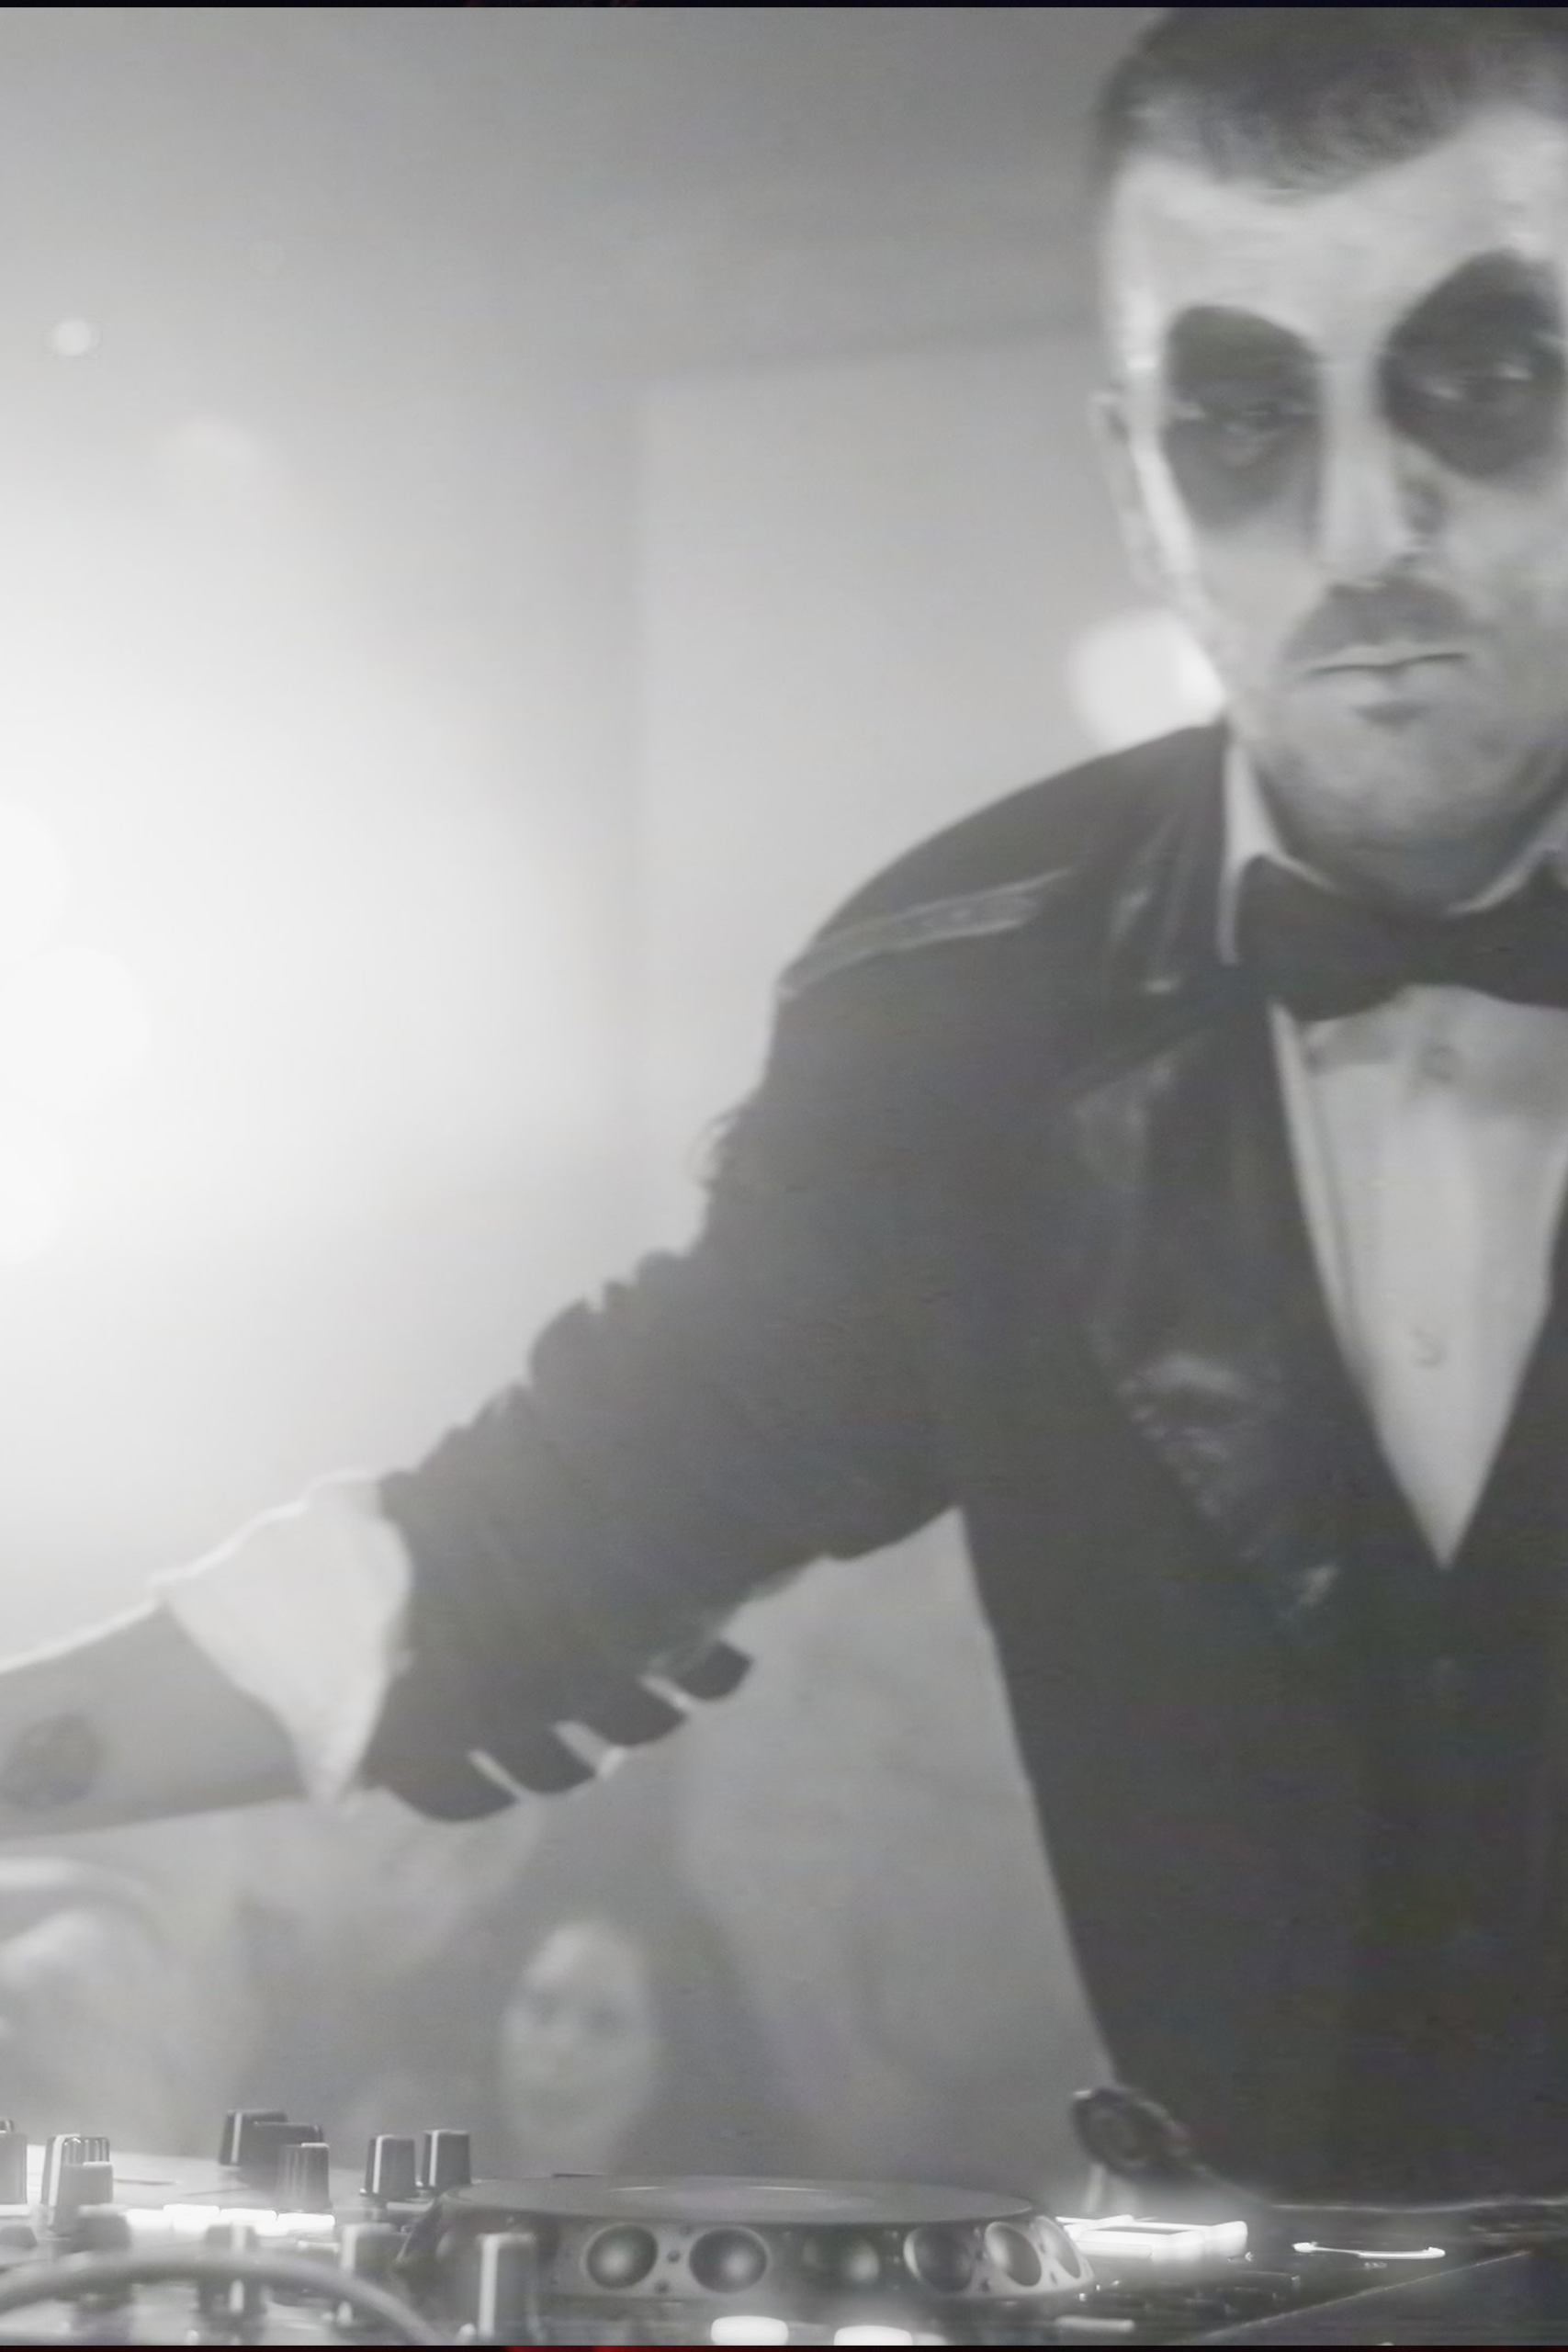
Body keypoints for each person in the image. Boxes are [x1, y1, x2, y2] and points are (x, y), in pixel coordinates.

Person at [6, 2, 1568, 2209]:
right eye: (1237, 418)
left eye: (1479, 379)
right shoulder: (960, 1014)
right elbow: (507, 1563)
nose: (1358, 521)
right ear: (1129, 483)